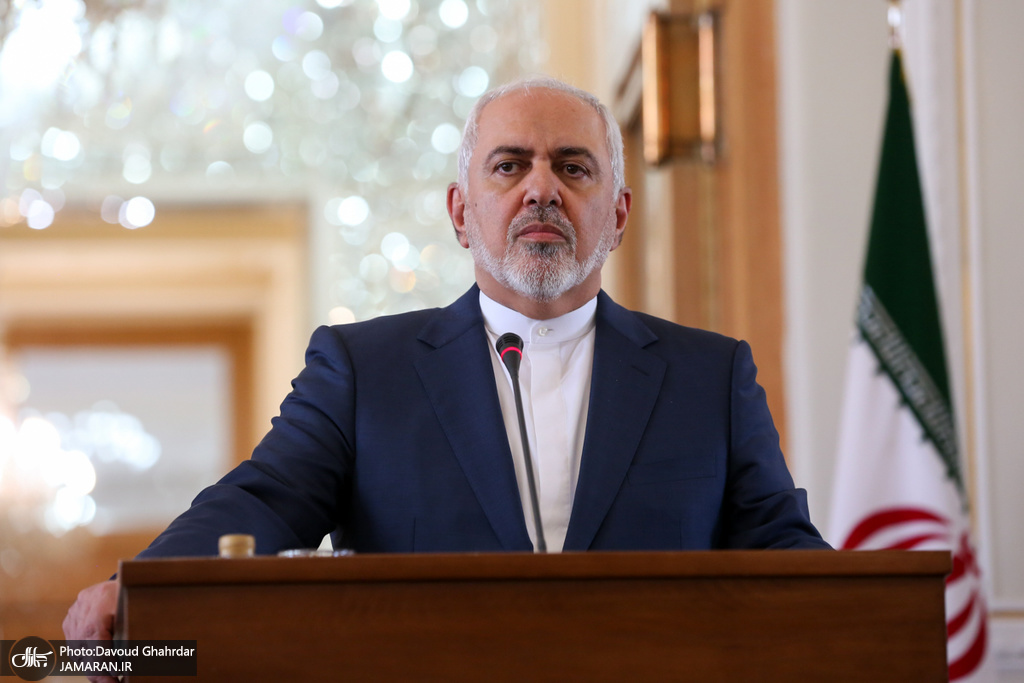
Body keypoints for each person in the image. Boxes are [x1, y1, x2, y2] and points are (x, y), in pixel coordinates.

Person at [65, 76, 830, 650]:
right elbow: (263, 501)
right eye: (509, 166)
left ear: (619, 215)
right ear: (462, 214)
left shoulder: (710, 378)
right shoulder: (364, 371)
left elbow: (787, 556)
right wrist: (137, 586)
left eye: (573, 167)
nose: (541, 189)